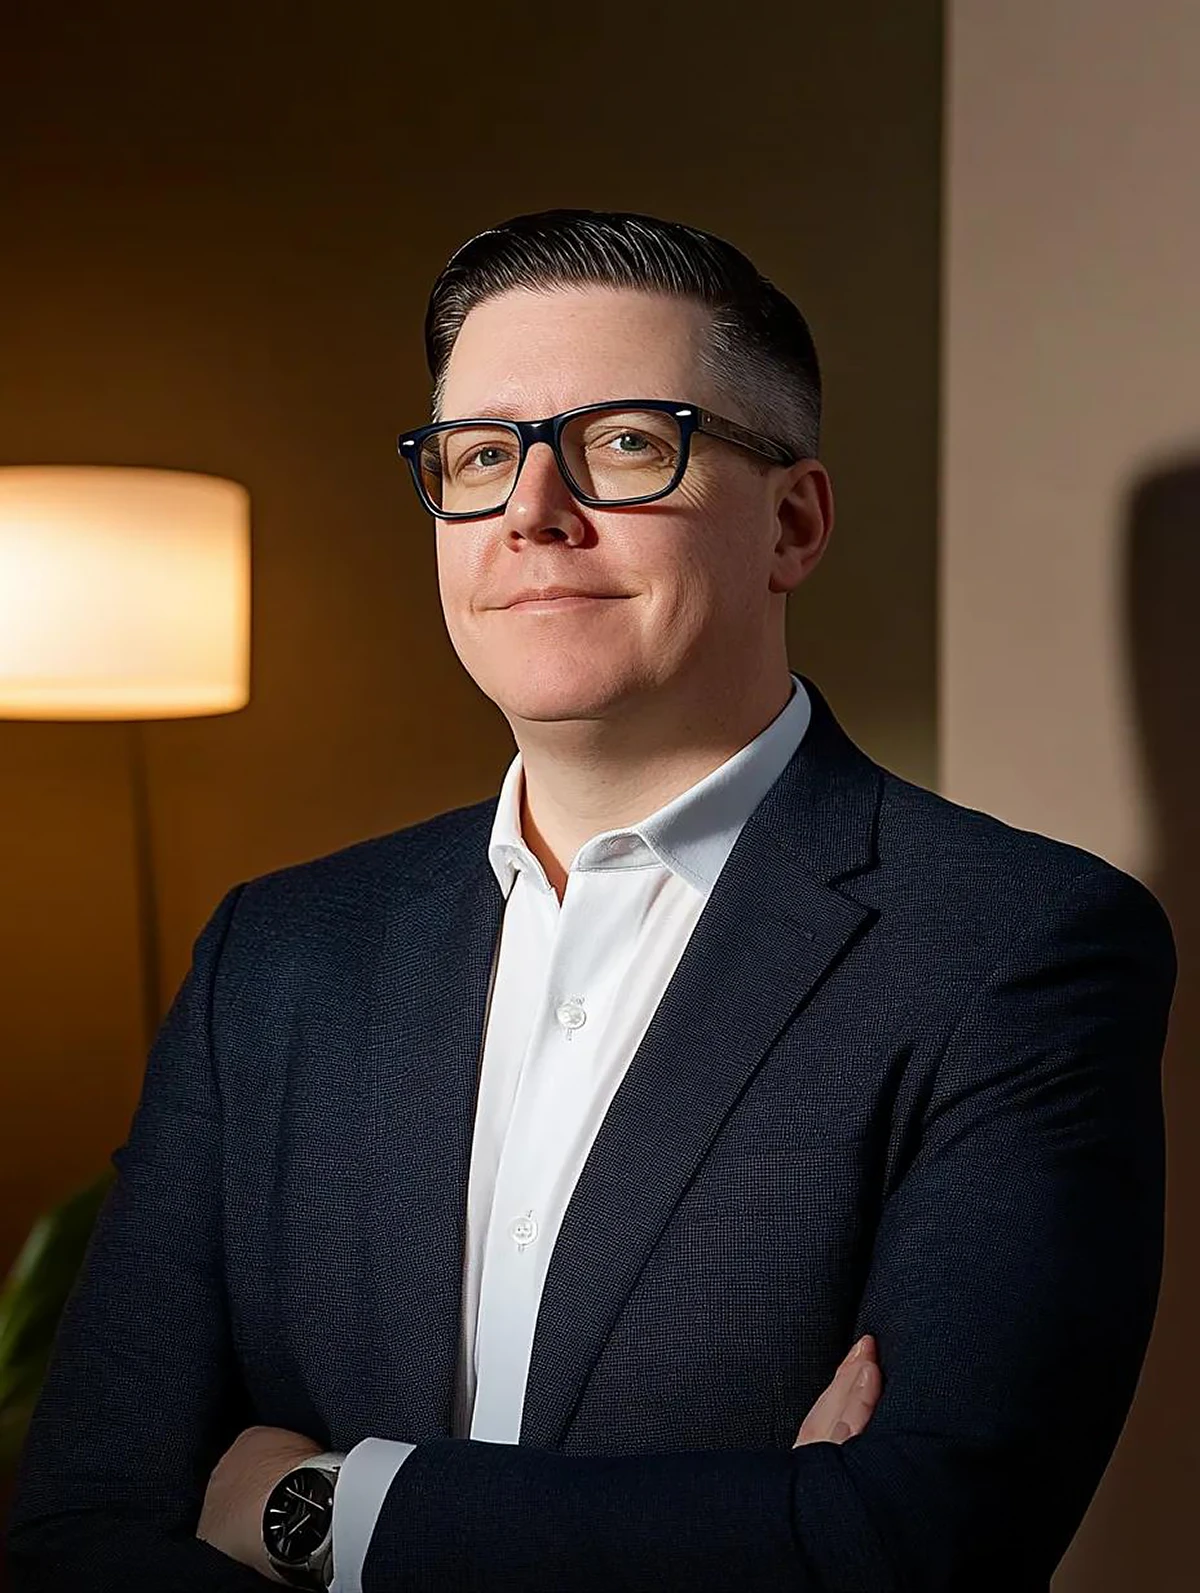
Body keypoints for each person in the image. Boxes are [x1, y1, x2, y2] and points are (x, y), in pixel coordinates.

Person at [6, 208, 1175, 1592]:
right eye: (483, 455)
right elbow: (82, 1530)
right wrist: (743, 1524)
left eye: (627, 443)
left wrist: (326, 1509)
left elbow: (909, 1546)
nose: (532, 513)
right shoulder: (279, 956)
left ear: (792, 522)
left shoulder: (1012, 947)